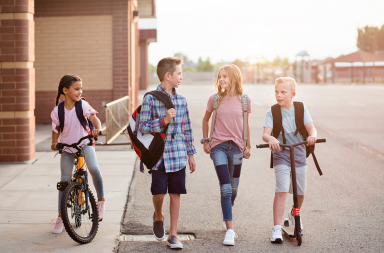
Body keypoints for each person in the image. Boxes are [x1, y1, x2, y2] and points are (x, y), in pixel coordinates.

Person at [139, 57, 197, 250]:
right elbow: (143, 127)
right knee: (158, 192)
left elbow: (187, 127)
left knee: (175, 193)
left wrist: (191, 154)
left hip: (178, 154)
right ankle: (158, 215)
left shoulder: (181, 100)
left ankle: (173, 234)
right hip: (159, 156)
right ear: (167, 75)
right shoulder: (151, 98)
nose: (181, 77)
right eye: (179, 73)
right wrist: (163, 121)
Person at [262, 77, 317, 242]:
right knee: (282, 190)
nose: (278, 95)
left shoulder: (301, 109)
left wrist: (313, 136)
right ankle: (276, 228)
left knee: (300, 192)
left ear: (292, 94)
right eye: (276, 92)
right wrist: (270, 139)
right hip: (281, 154)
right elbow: (265, 133)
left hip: (299, 153)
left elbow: (311, 128)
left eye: (283, 92)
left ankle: (294, 213)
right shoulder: (272, 112)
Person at [201, 64, 251, 246]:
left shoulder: (245, 100)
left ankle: (226, 212)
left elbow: (246, 124)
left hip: (237, 148)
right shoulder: (214, 99)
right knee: (225, 187)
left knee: (234, 189)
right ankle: (230, 230)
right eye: (220, 76)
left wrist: (248, 146)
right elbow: (205, 119)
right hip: (219, 147)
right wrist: (206, 140)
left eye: (225, 76)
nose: (221, 79)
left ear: (235, 78)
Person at [50, 74, 105, 234]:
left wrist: (97, 130)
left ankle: (100, 201)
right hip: (67, 148)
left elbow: (96, 121)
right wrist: (54, 143)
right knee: (64, 182)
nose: (80, 92)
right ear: (65, 90)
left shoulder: (83, 105)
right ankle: (60, 217)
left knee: (93, 168)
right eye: (76, 89)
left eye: (81, 88)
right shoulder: (57, 111)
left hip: (85, 143)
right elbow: (55, 132)